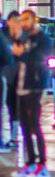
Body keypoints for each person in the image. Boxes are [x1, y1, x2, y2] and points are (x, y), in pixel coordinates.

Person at [11, 10, 52, 177]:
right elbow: (17, 58)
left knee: (35, 125)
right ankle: (31, 163)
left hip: (35, 87)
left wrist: (22, 54)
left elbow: (38, 60)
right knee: (25, 127)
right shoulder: (25, 38)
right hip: (21, 85)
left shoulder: (43, 39)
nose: (24, 22)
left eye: (26, 19)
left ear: (34, 20)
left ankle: (42, 165)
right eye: (22, 20)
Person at [2, 11, 24, 149]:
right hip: (5, 76)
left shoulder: (22, 35)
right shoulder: (3, 35)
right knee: (7, 106)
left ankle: (14, 136)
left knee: (15, 107)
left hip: (19, 76)